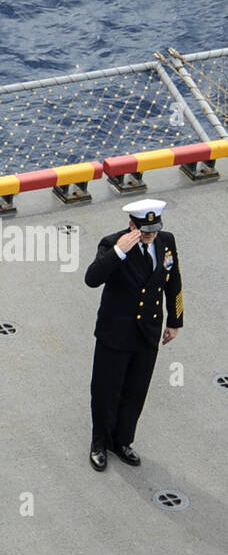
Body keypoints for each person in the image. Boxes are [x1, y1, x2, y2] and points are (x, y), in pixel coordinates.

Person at [84, 198, 183, 471]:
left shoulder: (166, 241)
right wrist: (119, 251)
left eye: (154, 229)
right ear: (132, 225)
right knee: (106, 391)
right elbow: (92, 278)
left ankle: (122, 441)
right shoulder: (111, 244)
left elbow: (173, 281)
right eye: (144, 230)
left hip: (147, 333)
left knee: (136, 390)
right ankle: (100, 443)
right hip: (115, 333)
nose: (150, 235)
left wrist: (175, 321)